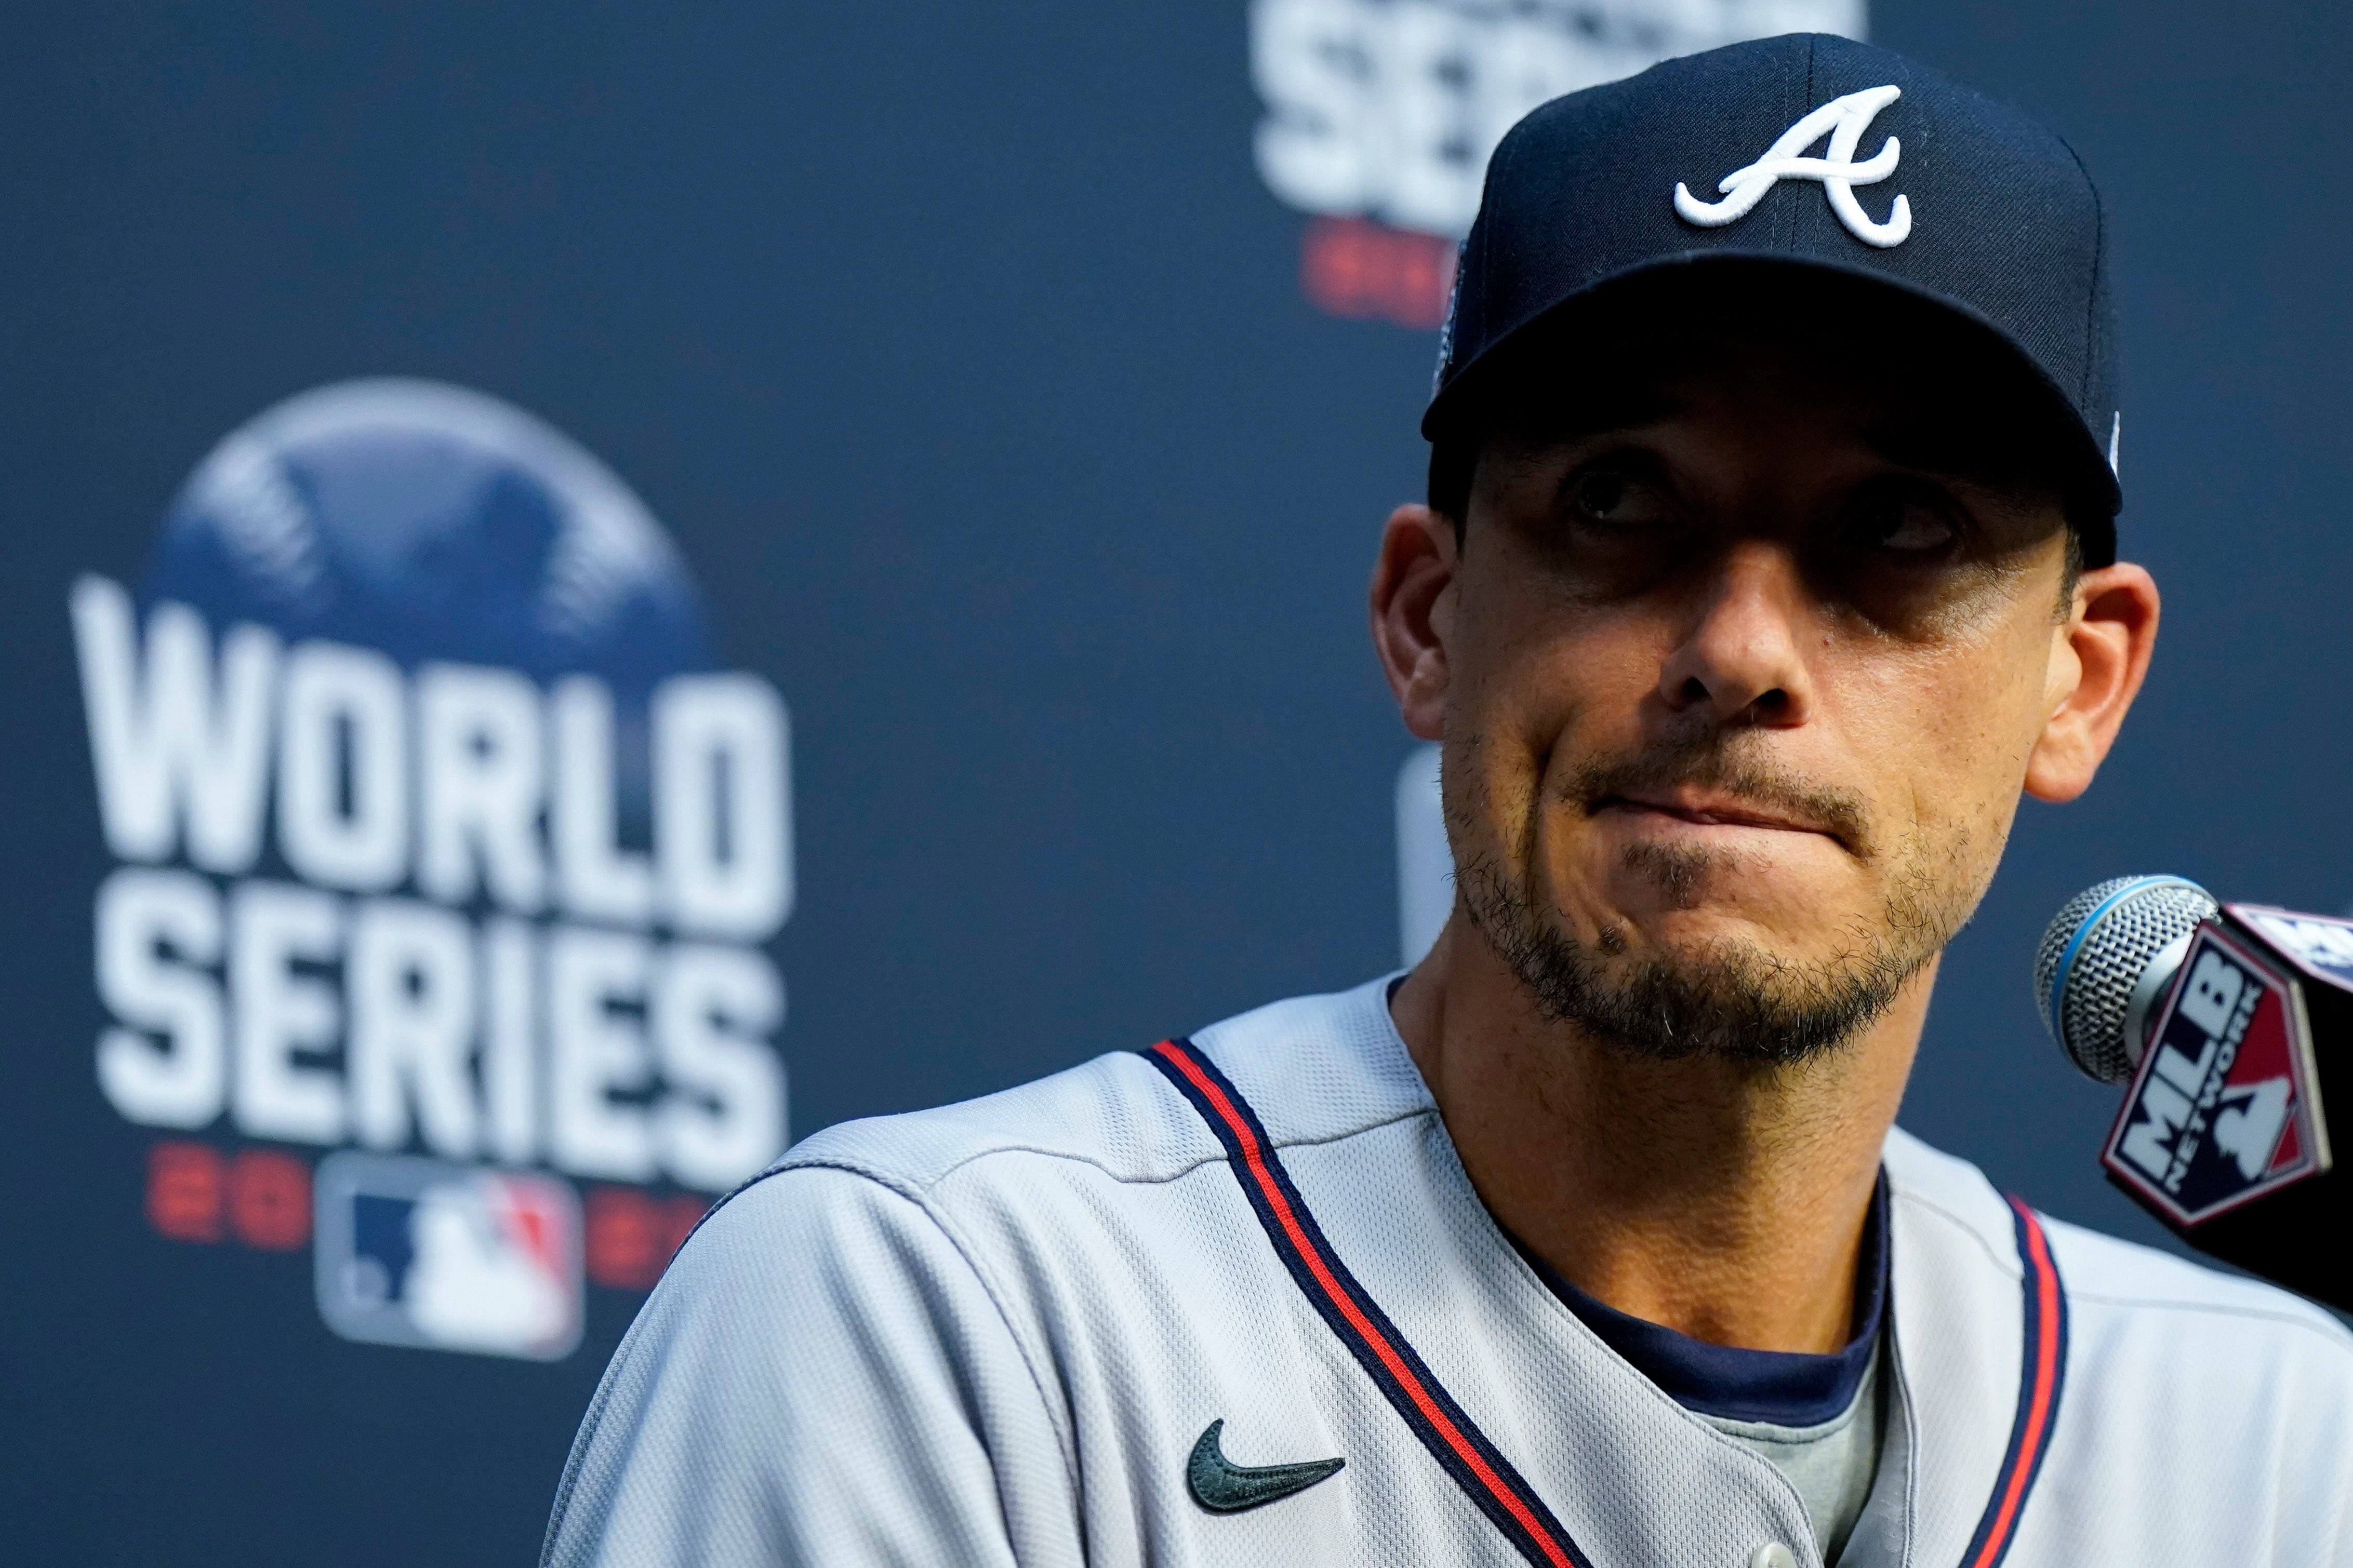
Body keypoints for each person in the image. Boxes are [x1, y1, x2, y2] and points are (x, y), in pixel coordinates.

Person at [542, 34, 2353, 1568]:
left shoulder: (2280, 1453)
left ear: (2080, 677)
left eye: (1895, 533)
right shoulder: (955, 1326)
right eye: (1619, 504)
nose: (1738, 647)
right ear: (1428, 619)